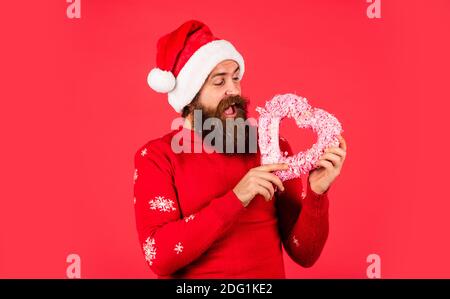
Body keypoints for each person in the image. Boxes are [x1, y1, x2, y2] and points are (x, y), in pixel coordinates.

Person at [133, 20, 347, 278]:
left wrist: (316, 193)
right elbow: (160, 257)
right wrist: (236, 198)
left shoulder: (269, 146)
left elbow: (305, 253)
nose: (233, 89)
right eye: (218, 82)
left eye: (236, 78)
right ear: (190, 96)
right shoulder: (157, 157)